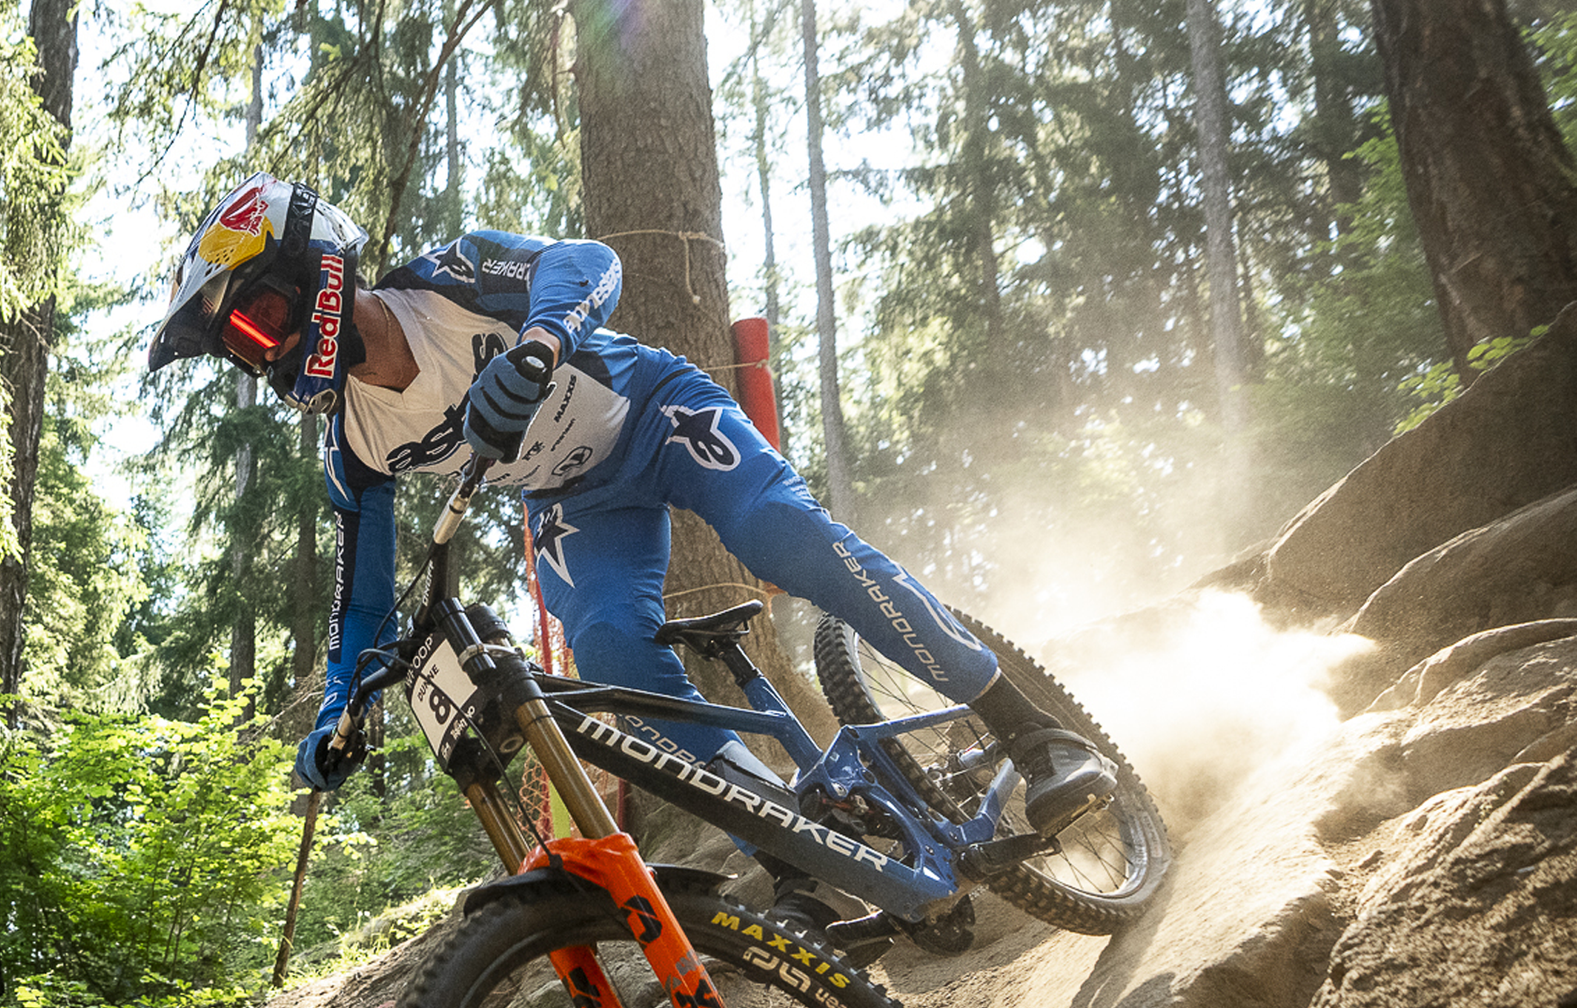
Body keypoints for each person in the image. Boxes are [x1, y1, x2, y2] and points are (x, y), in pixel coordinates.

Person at [145, 171, 1117, 843]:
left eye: (256, 319)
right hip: (572, 502)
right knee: (608, 645)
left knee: (779, 532)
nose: (257, 350)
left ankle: (1033, 729)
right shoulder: (355, 446)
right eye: (237, 344)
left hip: (653, 410)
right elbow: (362, 609)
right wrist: (336, 708)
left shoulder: (441, 283)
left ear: (311, 265)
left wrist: (537, 345)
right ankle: (794, 827)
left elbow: (588, 261)